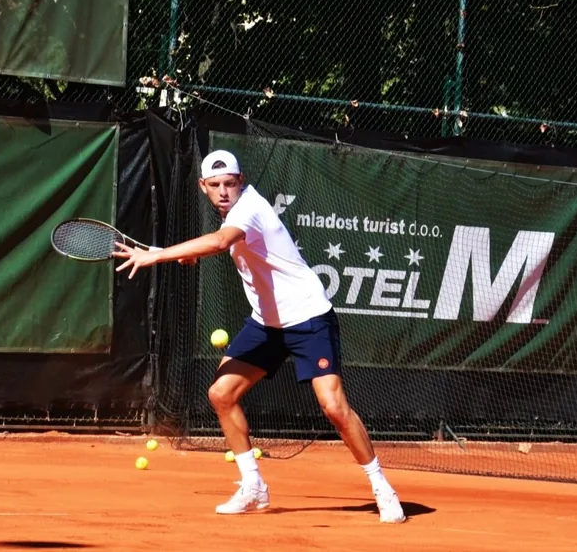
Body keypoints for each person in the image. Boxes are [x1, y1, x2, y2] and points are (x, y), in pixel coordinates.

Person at [112, 149, 406, 524]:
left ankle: (382, 486)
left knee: (333, 406)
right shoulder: (231, 214)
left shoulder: (249, 208)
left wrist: (158, 256)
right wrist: (182, 254)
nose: (223, 192)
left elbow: (221, 241)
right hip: (267, 323)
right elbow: (229, 243)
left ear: (241, 182)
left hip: (308, 317)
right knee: (221, 394)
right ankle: (253, 485)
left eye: (230, 184)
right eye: (215, 185)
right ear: (203, 187)